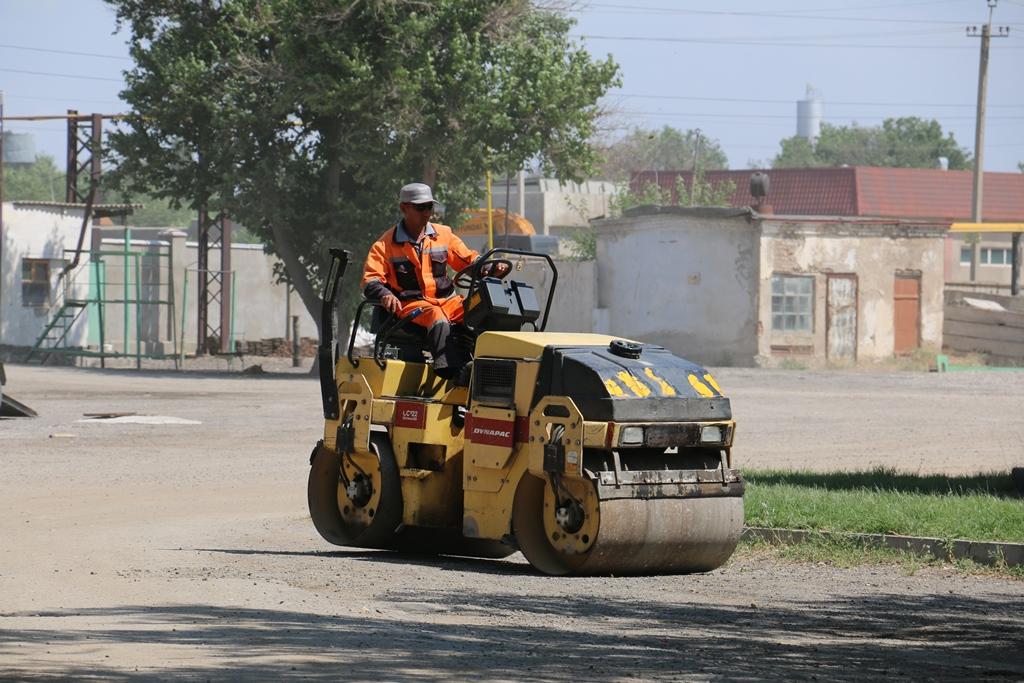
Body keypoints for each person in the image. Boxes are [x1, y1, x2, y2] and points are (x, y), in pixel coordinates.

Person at [362, 182, 508, 381]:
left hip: (448, 302)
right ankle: (452, 373)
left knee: (481, 309)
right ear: (404, 208)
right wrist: (385, 294)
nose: (427, 213)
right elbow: (371, 280)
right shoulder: (384, 245)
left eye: (429, 207)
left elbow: (469, 260)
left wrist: (488, 268)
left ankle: (492, 368)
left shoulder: (443, 235)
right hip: (412, 305)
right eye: (420, 207)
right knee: (436, 317)